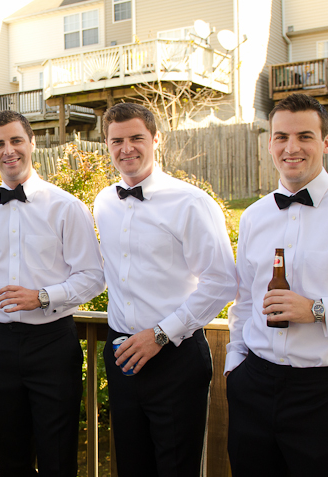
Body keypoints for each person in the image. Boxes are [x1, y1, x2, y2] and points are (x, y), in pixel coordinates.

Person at [93, 102, 237, 476]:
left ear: (157, 139)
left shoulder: (191, 202)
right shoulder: (104, 202)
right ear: (106, 145)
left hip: (175, 357)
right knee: (131, 464)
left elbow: (222, 280)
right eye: (117, 141)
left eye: (137, 137)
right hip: (122, 354)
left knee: (176, 468)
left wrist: (160, 334)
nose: (127, 148)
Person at [225, 93, 328, 476]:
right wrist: (235, 367)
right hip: (254, 385)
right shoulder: (253, 216)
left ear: (326, 142)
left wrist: (317, 309)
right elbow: (246, 300)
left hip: (325, 395)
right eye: (281, 137)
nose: (292, 148)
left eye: (305, 136)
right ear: (269, 143)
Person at [0, 110, 105, 476]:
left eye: (15, 141)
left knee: (58, 457)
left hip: (52, 345)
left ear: (32, 143)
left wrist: (43, 296)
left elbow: (93, 277)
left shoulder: (66, 206)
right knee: (10, 459)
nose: (8, 151)